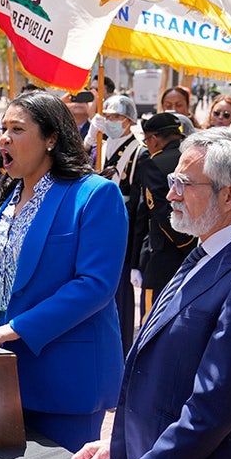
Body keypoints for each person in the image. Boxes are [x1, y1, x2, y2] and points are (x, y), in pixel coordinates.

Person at [67, 127, 231, 459]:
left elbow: (215, 405)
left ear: (229, 195)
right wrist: (121, 446)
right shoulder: (207, 251)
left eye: (183, 183)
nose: (170, 194)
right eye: (173, 180)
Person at [0, 91, 128, 452]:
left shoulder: (95, 195)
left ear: (51, 139)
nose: (2, 138)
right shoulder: (8, 197)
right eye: (2, 127)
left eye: (17, 129)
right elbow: (2, 273)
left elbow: (95, 285)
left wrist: (18, 327)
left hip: (63, 378)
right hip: (1, 375)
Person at [92, 95, 148, 356]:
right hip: (98, 223)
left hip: (122, 225)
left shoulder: (138, 151)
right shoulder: (102, 146)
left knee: (122, 296)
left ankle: (122, 350)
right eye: (108, 117)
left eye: (115, 118)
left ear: (127, 121)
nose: (110, 122)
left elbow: (138, 202)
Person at [135, 112, 198, 315]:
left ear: (153, 138)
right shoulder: (196, 156)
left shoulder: (155, 163)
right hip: (201, 243)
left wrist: (185, 244)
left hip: (167, 252)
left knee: (153, 316)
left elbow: (160, 211)